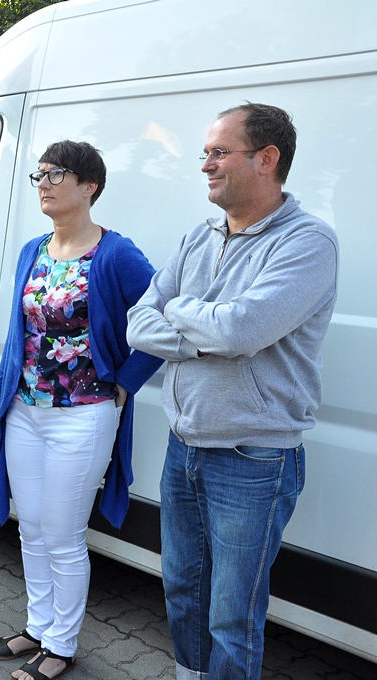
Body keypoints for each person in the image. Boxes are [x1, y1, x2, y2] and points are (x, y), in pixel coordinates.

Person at [126, 103, 338, 680]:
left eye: (219, 152)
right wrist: (203, 330)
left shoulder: (308, 242)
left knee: (232, 614)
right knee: (183, 593)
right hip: (184, 446)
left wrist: (180, 312)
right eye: (206, 153)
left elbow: (241, 329)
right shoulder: (201, 235)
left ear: (266, 159)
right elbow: (137, 323)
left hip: (253, 458)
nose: (205, 165)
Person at [0, 141, 161, 680]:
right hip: (26, 411)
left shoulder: (115, 254)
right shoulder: (33, 249)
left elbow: (159, 322)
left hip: (83, 414)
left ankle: (61, 644)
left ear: (90, 186)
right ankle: (38, 628)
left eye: (58, 173)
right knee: (30, 528)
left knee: (62, 533)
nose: (44, 181)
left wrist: (127, 383)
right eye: (40, 173)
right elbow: (21, 338)